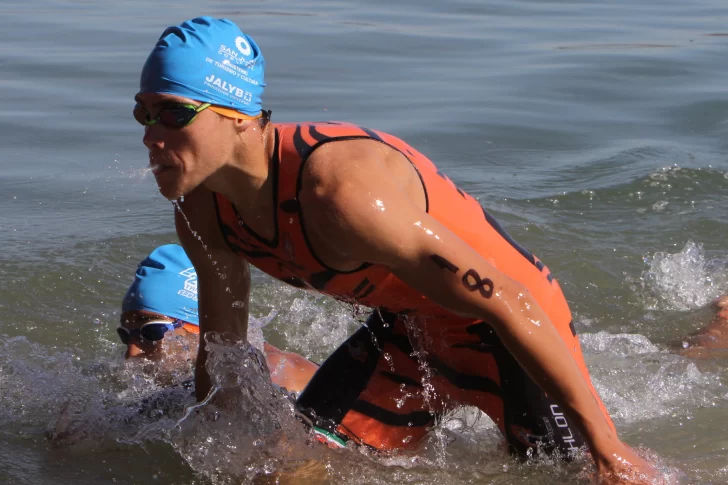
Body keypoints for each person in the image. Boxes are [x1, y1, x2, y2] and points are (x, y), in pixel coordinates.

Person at [132, 16, 660, 483]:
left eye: (175, 113)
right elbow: (221, 351)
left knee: (594, 478)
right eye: (144, 114)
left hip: (508, 329)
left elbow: (508, 299)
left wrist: (607, 446)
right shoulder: (201, 208)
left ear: (240, 115)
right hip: (408, 331)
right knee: (289, 472)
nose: (152, 136)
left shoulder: (343, 194)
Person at [119, 243, 318, 395]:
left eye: (151, 332)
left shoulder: (273, 373)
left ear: (200, 328)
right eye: (126, 336)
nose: (131, 352)